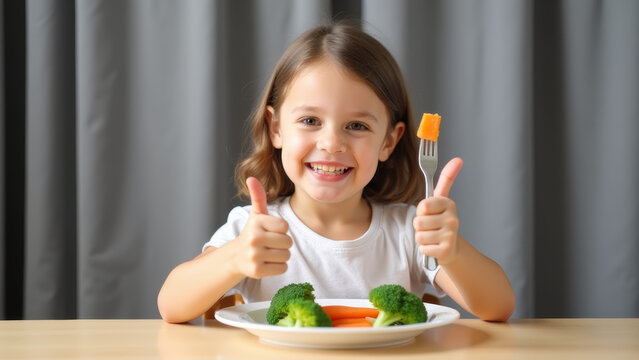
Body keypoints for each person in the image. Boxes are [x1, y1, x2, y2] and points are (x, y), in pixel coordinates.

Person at [157, 22, 515, 324]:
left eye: (356, 125)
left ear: (389, 141)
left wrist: (452, 252)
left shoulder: (409, 231)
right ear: (276, 127)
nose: (331, 143)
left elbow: (498, 307)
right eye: (310, 121)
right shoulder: (253, 229)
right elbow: (171, 305)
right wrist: (234, 257)